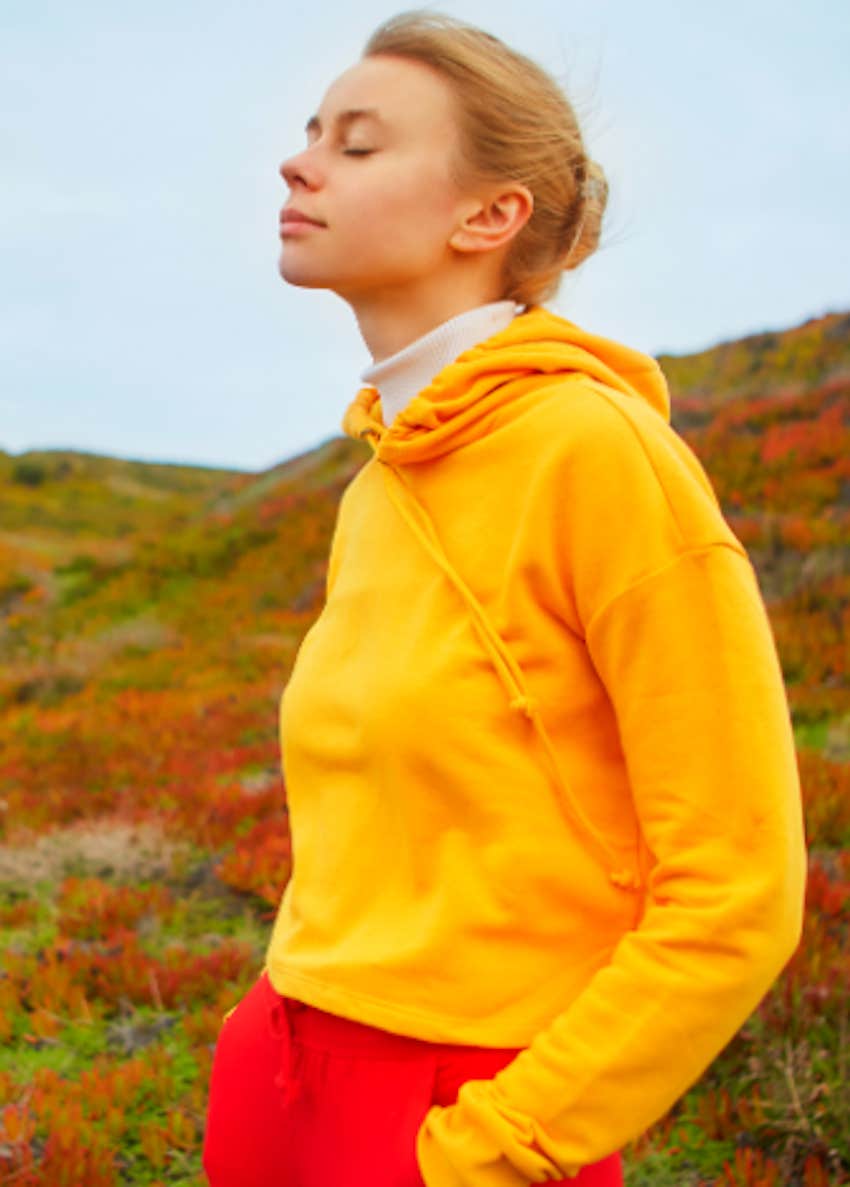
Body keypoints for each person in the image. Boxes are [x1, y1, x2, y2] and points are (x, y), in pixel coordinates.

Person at [201, 11, 807, 1187]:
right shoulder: (382, 481)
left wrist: (489, 1145)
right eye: (312, 132)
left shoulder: (596, 454)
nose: (298, 162)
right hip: (280, 1066)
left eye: (358, 144)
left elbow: (739, 893)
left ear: (490, 216)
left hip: (464, 1112)